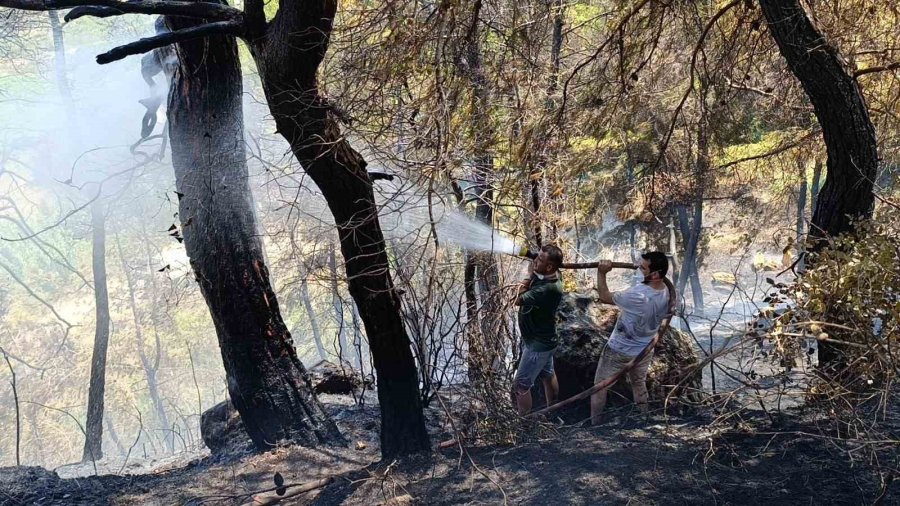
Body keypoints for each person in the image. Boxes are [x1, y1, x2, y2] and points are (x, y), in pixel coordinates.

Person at [590, 251, 676, 425]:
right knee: (639, 383)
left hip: (619, 349)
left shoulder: (637, 295)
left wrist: (601, 272)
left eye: (642, 268)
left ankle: (594, 425)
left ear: (655, 274)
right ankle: (644, 419)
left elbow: (604, 296)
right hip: (645, 349)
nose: (637, 269)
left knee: (599, 388)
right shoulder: (668, 291)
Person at [513, 244, 565, 415]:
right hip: (545, 339)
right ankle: (553, 412)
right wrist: (537, 259)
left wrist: (529, 275)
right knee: (547, 375)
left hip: (538, 345)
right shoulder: (554, 274)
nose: (535, 261)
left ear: (549, 267)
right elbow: (546, 264)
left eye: (540, 259)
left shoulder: (547, 289)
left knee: (521, 385)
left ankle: (524, 422)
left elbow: (517, 299)